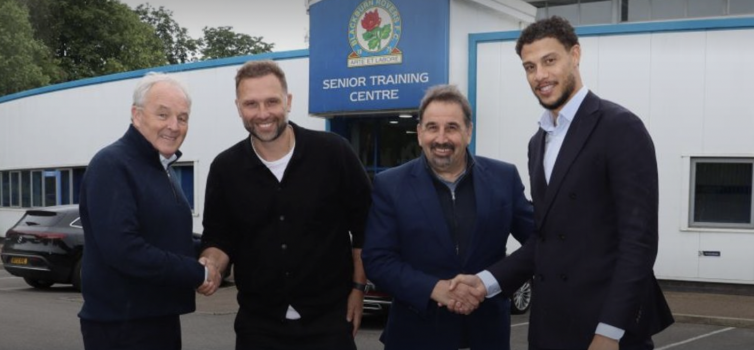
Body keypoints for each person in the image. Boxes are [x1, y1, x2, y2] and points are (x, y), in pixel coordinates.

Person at [450, 16, 674, 350]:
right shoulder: (537, 142)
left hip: (604, 329)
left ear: (575, 55)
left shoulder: (620, 128)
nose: (539, 76)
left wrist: (610, 332)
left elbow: (638, 244)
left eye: (549, 61)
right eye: (529, 67)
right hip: (549, 328)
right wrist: (485, 283)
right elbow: (545, 238)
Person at [199, 60, 372, 350]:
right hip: (259, 328)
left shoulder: (334, 153)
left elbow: (365, 228)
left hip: (329, 323)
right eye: (251, 104)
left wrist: (358, 289)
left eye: (272, 101)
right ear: (239, 107)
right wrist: (211, 264)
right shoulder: (224, 168)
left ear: (288, 101)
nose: (263, 113)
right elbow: (218, 238)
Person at [361, 84, 534, 350]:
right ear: (419, 133)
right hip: (415, 336)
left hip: (488, 336)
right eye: (432, 127)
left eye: (452, 127)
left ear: (469, 132)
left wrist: (489, 281)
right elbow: (377, 259)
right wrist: (434, 288)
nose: (441, 138)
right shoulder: (390, 185)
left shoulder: (504, 178)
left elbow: (539, 240)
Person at [78, 72, 219, 350]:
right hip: (121, 327)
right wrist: (199, 273)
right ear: (137, 114)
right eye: (163, 114)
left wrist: (216, 251)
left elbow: (167, 237)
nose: (174, 126)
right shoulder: (112, 164)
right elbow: (124, 250)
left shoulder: (160, 167)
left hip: (157, 319)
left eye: (182, 117)